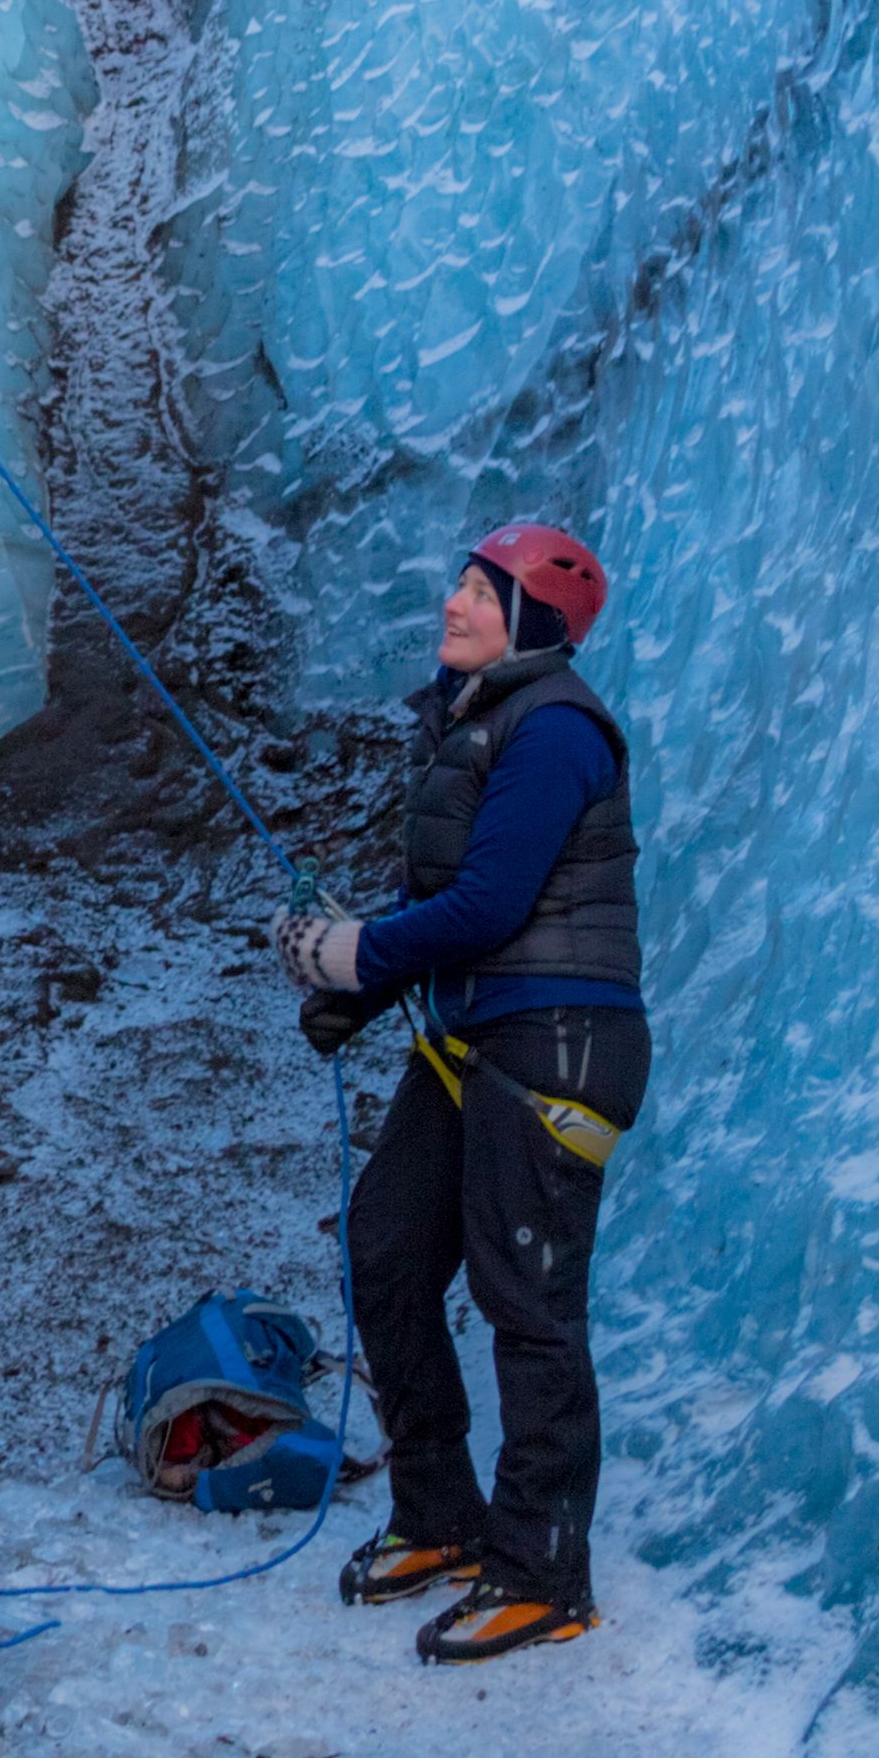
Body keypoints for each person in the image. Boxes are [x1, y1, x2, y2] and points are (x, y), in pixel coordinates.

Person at [272, 519, 646, 1664]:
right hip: (475, 1042)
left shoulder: (555, 729)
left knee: (526, 1300)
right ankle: (439, 1516)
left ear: (534, 619)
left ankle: (542, 1570)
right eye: (462, 585)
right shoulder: (482, 726)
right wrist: (369, 987)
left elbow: (488, 907)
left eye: (482, 591)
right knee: (386, 1249)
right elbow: (457, 913)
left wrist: (356, 957)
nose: (455, 603)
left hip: (556, 1050)